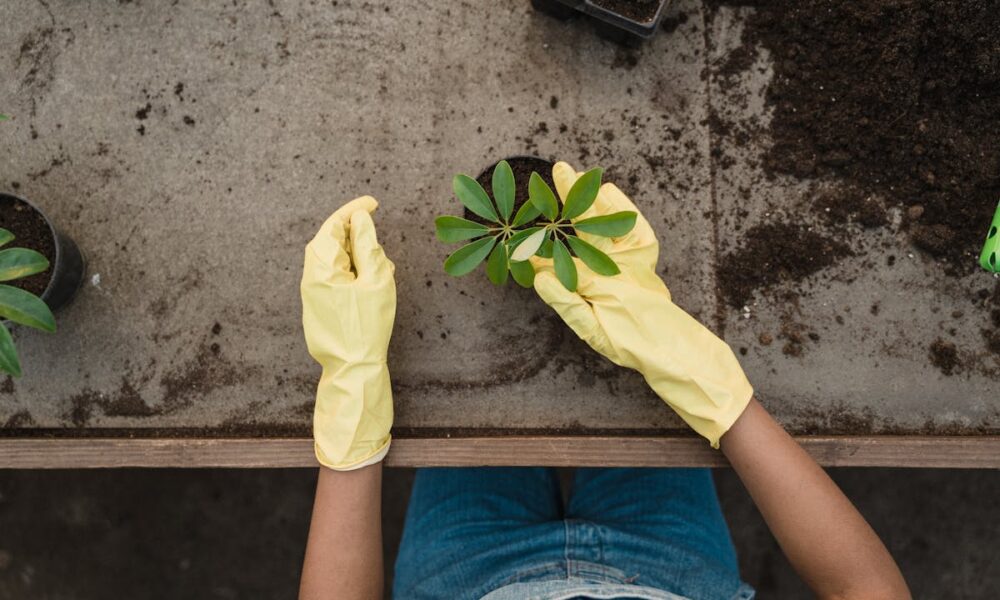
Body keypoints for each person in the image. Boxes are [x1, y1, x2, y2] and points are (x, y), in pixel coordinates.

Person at [297, 162, 911, 600]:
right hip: (674, 568)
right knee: (647, 402)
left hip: (464, 574)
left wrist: (352, 397)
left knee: (467, 409)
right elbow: (868, 589)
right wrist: (711, 385)